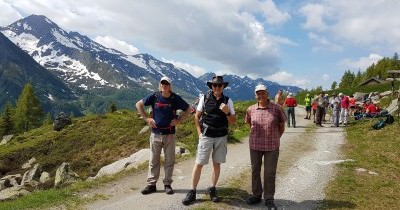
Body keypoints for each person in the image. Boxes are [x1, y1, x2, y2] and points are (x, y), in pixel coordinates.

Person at [182, 75, 236, 205]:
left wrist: (227, 112)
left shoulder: (228, 101)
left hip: (221, 137)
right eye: (214, 85)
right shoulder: (204, 98)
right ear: (211, 86)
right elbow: (197, 116)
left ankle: (212, 188)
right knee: (199, 163)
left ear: (223, 86)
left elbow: (233, 121)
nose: (217, 87)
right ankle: (192, 191)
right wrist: (199, 132)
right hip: (206, 136)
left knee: (216, 164)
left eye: (219, 85)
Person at [135, 76, 190, 195]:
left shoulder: (175, 98)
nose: (164, 85)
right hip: (155, 134)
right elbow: (138, 104)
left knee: (169, 160)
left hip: (169, 134)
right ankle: (151, 185)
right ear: (160, 85)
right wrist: (146, 118)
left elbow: (189, 109)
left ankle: (167, 184)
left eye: (167, 84)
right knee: (154, 159)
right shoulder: (154, 96)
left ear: (170, 86)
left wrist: (179, 120)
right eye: (162, 83)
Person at [245, 84, 286, 209]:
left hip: (272, 145)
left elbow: (282, 125)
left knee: (269, 172)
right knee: (255, 170)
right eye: (258, 93)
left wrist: (276, 137)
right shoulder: (250, 109)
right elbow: (248, 123)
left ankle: (269, 198)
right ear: (255, 95)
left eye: (263, 92)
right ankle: (256, 195)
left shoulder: (277, 108)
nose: (261, 95)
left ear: (267, 93)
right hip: (255, 145)